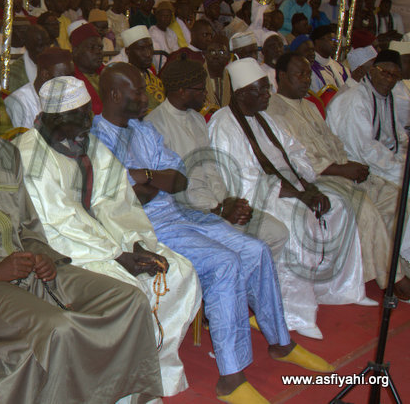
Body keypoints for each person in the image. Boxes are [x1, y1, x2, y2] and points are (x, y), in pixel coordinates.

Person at [0, 64, 163, 404]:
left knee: (129, 300)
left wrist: (45, 256)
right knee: (61, 329)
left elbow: (29, 226)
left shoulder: (6, 154)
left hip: (29, 270)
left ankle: (127, 396)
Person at [92, 65, 332, 400]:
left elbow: (179, 179)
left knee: (255, 249)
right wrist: (151, 179)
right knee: (224, 263)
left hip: (181, 212)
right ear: (116, 95)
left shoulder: (144, 130)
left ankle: (281, 343)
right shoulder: (96, 138)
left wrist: (144, 175)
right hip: (144, 226)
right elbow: (129, 196)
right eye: (138, 92)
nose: (146, 98)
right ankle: (230, 379)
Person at [14, 75, 200, 399]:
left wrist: (135, 242)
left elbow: (114, 198)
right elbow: (58, 223)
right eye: (80, 116)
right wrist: (117, 256)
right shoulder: (31, 155)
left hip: (103, 240)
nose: (89, 122)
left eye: (88, 112)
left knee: (179, 272)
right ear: (54, 120)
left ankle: (155, 374)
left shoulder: (85, 141)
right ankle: (122, 391)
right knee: (131, 295)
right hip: (56, 252)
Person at [209, 58, 375, 340]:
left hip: (292, 187)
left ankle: (339, 288)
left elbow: (295, 151)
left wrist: (307, 185)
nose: (268, 95)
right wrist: (298, 194)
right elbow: (242, 180)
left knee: (341, 208)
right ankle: (294, 313)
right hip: (256, 199)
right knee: (298, 224)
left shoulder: (265, 116)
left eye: (267, 88)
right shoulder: (223, 123)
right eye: (261, 90)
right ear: (240, 94)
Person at [267, 52, 408, 295]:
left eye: (307, 74)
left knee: (396, 198)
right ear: (281, 76)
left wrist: (348, 164)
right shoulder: (273, 109)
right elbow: (296, 159)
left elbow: (332, 141)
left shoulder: (309, 105)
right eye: (299, 74)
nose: (306, 80)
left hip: (341, 170)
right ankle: (393, 279)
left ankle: (397, 261)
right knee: (364, 207)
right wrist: (342, 169)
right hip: (317, 178)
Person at [147, 57, 289, 259]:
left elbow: (211, 169)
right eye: (200, 89)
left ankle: (254, 287)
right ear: (181, 91)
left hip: (217, 203)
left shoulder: (196, 118)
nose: (206, 94)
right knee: (251, 249)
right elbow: (173, 189)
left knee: (278, 233)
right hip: (190, 213)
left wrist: (228, 202)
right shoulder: (155, 125)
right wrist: (217, 209)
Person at [326, 49, 410, 286]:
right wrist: (400, 168)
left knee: (401, 197)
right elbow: (365, 149)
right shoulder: (355, 100)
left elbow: (396, 136)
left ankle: (398, 260)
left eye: (395, 76)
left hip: (376, 166)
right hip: (353, 170)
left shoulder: (384, 96)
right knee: (400, 198)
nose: (390, 79)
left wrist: (403, 157)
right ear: (372, 71)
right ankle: (396, 267)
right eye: (385, 73)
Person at [5, 47, 73, 129]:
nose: (69, 83)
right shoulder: (20, 103)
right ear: (45, 75)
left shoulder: (65, 95)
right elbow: (26, 140)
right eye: (63, 79)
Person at [109, 25, 165, 114]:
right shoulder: (123, 80)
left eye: (150, 47)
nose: (148, 54)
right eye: (141, 49)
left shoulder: (152, 76)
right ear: (128, 52)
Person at [68, 21, 103, 114]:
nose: (98, 52)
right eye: (92, 47)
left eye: (100, 47)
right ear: (75, 51)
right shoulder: (69, 81)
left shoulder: (109, 73)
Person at [309, 24, 351, 98]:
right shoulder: (310, 68)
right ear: (317, 42)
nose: (335, 43)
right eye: (330, 39)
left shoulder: (340, 68)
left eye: (335, 40)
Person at [5, 24, 49, 93]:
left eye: (48, 44)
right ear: (28, 46)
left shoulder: (53, 65)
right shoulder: (13, 74)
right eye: (40, 46)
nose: (46, 50)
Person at [149, 1, 180, 72]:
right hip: (160, 70)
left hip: (173, 67)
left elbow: (176, 51)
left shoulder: (171, 33)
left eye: (168, 16)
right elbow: (158, 60)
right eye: (163, 16)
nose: (166, 19)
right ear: (157, 16)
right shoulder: (152, 32)